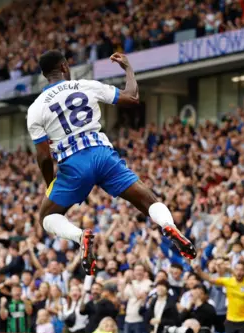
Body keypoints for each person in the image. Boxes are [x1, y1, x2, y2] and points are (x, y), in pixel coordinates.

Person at [27, 50, 196, 275]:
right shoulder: (86, 85)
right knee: (147, 200)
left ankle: (80, 237)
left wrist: (51, 184)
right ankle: (169, 226)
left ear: (43, 74)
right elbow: (132, 97)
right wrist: (128, 68)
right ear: (65, 67)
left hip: (73, 163)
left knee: (47, 216)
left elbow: (44, 157)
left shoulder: (36, 108)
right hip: (102, 153)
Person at [195, 262, 244, 333]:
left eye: (241, 270)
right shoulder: (228, 281)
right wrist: (199, 271)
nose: (239, 272)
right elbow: (210, 279)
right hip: (230, 320)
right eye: (237, 270)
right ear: (234, 271)